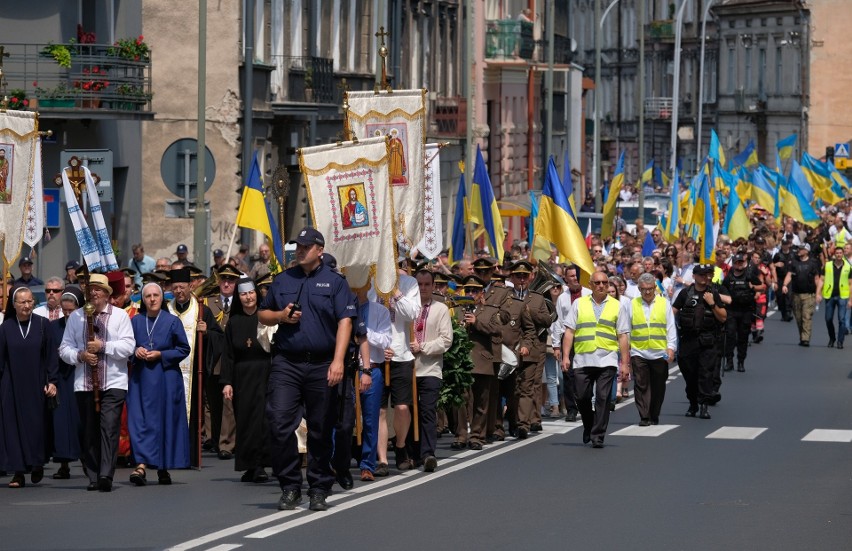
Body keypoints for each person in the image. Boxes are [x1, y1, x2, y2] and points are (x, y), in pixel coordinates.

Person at [258, 227, 357, 512]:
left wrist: (339, 361)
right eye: (297, 246)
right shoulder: (282, 279)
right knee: (278, 422)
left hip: (323, 363)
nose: (299, 250)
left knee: (320, 429)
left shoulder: (336, 282)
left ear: (319, 250)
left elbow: (345, 322)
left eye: (305, 246)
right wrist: (280, 316)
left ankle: (318, 487)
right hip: (287, 363)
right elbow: (264, 314)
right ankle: (290, 485)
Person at [58, 274, 135, 492]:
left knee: (109, 427)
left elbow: (128, 347)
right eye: (91, 289)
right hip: (85, 383)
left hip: (113, 382)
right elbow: (64, 349)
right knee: (88, 430)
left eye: (99, 290)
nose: (94, 293)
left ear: (107, 293)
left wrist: (103, 346)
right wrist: (81, 355)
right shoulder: (76, 318)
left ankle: (105, 475)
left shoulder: (120, 317)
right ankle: (92, 474)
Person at [127, 282, 191, 486]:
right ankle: (141, 465)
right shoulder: (136, 321)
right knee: (140, 421)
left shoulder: (172, 321)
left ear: (162, 298)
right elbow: (127, 346)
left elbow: (184, 349)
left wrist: (161, 354)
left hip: (165, 378)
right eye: (148, 296)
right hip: (142, 379)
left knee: (163, 422)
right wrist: (135, 351)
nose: (152, 299)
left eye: (156, 295)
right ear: (142, 300)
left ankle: (162, 466)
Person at [561, 272, 630, 448]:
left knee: (603, 397)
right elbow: (569, 331)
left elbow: (622, 336)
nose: (601, 286)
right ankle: (589, 424)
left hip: (607, 359)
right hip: (582, 359)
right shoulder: (579, 303)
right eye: (597, 282)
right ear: (590, 285)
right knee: (582, 396)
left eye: (605, 283)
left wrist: (625, 363)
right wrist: (565, 356)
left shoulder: (617, 306)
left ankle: (598, 435)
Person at [0, 287, 58, 488]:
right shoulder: (6, 327)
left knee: (36, 426)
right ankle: (18, 472)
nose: (26, 306)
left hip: (36, 383)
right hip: (12, 385)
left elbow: (51, 356)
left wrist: (53, 381)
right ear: (14, 305)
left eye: (29, 301)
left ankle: (36, 462)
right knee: (12, 428)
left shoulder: (43, 324)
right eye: (22, 302)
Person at [166, 267, 223, 466]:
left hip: (193, 372)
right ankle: (170, 454)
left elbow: (220, 338)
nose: (179, 291)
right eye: (175, 288)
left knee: (192, 412)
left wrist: (207, 332)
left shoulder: (201, 310)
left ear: (190, 287)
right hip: (168, 371)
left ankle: (188, 455)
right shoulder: (166, 309)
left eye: (182, 287)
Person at [368, 264, 421, 473]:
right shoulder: (371, 282)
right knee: (379, 410)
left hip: (401, 353)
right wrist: (381, 345)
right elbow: (369, 315)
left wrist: (395, 291)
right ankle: (382, 459)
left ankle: (400, 446)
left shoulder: (410, 283)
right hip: (378, 354)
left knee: (401, 407)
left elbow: (411, 313)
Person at [220, 278, 273, 483]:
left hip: (264, 372)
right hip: (242, 376)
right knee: (244, 421)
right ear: (238, 298)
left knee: (262, 420)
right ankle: (248, 465)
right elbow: (228, 355)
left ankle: (260, 465)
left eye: (251, 293)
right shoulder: (233, 322)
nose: (248, 297)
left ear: (256, 294)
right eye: (243, 294)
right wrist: (227, 382)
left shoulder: (266, 317)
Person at [409, 269, 453, 471]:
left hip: (430, 369)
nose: (423, 288)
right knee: (408, 411)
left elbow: (446, 340)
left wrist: (423, 347)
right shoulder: (407, 308)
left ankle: (428, 454)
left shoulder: (440, 309)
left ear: (433, 286)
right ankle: (411, 453)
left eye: (427, 284)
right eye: (419, 284)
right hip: (408, 368)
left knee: (427, 411)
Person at [672, 264, 727, 420]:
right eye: (702, 275)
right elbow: (672, 312)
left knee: (705, 374)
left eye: (708, 275)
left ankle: (703, 406)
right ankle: (693, 403)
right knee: (690, 375)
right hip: (688, 341)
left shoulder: (713, 294)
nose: (706, 277)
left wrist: (712, 304)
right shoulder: (685, 293)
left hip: (707, 342)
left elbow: (723, 316)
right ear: (695, 276)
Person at [353, 280, 392, 481]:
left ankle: (367, 464)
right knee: (340, 419)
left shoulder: (380, 311)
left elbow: (386, 340)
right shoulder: (343, 308)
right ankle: (336, 462)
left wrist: (362, 332)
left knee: (371, 419)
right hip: (349, 369)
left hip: (372, 368)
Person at [508, 261, 551, 438]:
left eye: (525, 276)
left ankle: (527, 422)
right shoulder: (506, 296)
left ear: (530, 277)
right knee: (512, 388)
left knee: (530, 386)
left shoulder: (537, 298)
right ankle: (513, 421)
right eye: (518, 276)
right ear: (512, 278)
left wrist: (529, 312)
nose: (522, 279)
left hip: (533, 347)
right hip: (510, 348)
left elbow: (547, 320)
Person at [461, 275, 505, 450]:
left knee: (481, 401)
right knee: (463, 401)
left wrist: (476, 322)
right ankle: (461, 434)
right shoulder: (459, 309)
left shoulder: (490, 310)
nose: (471, 293)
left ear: (481, 293)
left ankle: (477, 435)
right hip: (463, 362)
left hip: (483, 361)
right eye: (468, 290)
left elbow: (497, 330)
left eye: (475, 291)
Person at [628, 273, 677, 426]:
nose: (647, 292)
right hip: (639, 351)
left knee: (658, 386)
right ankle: (644, 416)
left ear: (655, 288)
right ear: (639, 289)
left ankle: (654, 413)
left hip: (659, 352)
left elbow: (670, 327)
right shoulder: (632, 304)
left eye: (650, 289)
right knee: (641, 384)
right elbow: (627, 329)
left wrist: (671, 348)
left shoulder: (664, 303)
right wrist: (626, 352)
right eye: (644, 289)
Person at [203, 264, 241, 460]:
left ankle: (227, 443)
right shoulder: (208, 302)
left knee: (229, 402)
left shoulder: (242, 303)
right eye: (224, 279)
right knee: (214, 403)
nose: (227, 283)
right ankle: (216, 439)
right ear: (218, 281)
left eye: (231, 280)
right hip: (213, 360)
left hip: (232, 359)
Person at [49, 286, 85, 480]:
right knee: (61, 422)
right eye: (65, 310)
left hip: (80, 375)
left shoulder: (86, 324)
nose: (68, 313)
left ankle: (88, 461)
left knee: (81, 421)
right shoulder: (53, 327)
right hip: (61, 378)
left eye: (72, 310)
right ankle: (63, 464)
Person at [722, 253, 764, 372]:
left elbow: (762, 287)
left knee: (743, 337)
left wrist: (753, 288)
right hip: (732, 310)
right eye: (737, 262)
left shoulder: (749, 274)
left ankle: (741, 362)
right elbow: (723, 290)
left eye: (741, 262)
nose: (739, 264)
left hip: (745, 310)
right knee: (730, 336)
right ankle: (729, 361)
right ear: (734, 263)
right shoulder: (729, 277)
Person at [782, 245, 821, 347]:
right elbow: (789, 275)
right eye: (799, 249)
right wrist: (785, 285)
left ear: (807, 251)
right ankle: (802, 336)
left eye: (801, 249)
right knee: (799, 318)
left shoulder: (813, 263)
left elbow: (817, 279)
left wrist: (818, 293)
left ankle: (805, 339)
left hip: (809, 295)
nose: (799, 251)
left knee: (806, 317)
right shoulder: (794, 262)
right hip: (796, 295)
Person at [816, 246, 852, 349]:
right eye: (837, 253)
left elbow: (850, 284)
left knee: (842, 319)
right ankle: (832, 338)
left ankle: (840, 341)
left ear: (843, 254)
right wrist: (818, 293)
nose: (839, 255)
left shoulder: (848, 267)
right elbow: (821, 280)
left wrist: (850, 299)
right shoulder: (827, 266)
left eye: (841, 253)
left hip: (842, 296)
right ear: (834, 254)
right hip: (829, 295)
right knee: (828, 319)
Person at [771, 239, 795, 321]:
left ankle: (788, 313)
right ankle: (783, 314)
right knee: (780, 297)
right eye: (783, 244)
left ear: (789, 245)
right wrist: (775, 264)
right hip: (780, 277)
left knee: (789, 295)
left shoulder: (793, 254)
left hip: (789, 278)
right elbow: (771, 265)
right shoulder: (778, 255)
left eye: (786, 244)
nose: (785, 246)